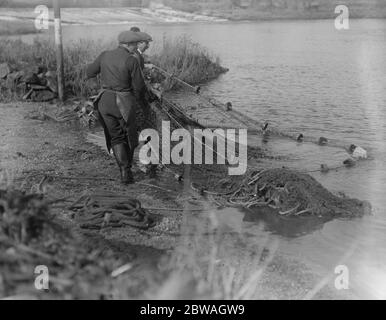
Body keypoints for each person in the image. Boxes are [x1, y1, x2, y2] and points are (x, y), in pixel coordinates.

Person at [85, 30, 148, 184]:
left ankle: (124, 173)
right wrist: (143, 104)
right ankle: (127, 171)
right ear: (128, 44)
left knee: (116, 137)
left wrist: (102, 83)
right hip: (123, 103)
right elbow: (139, 88)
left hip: (104, 101)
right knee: (130, 136)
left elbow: (89, 72)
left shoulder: (104, 55)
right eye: (134, 45)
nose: (135, 47)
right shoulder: (131, 60)